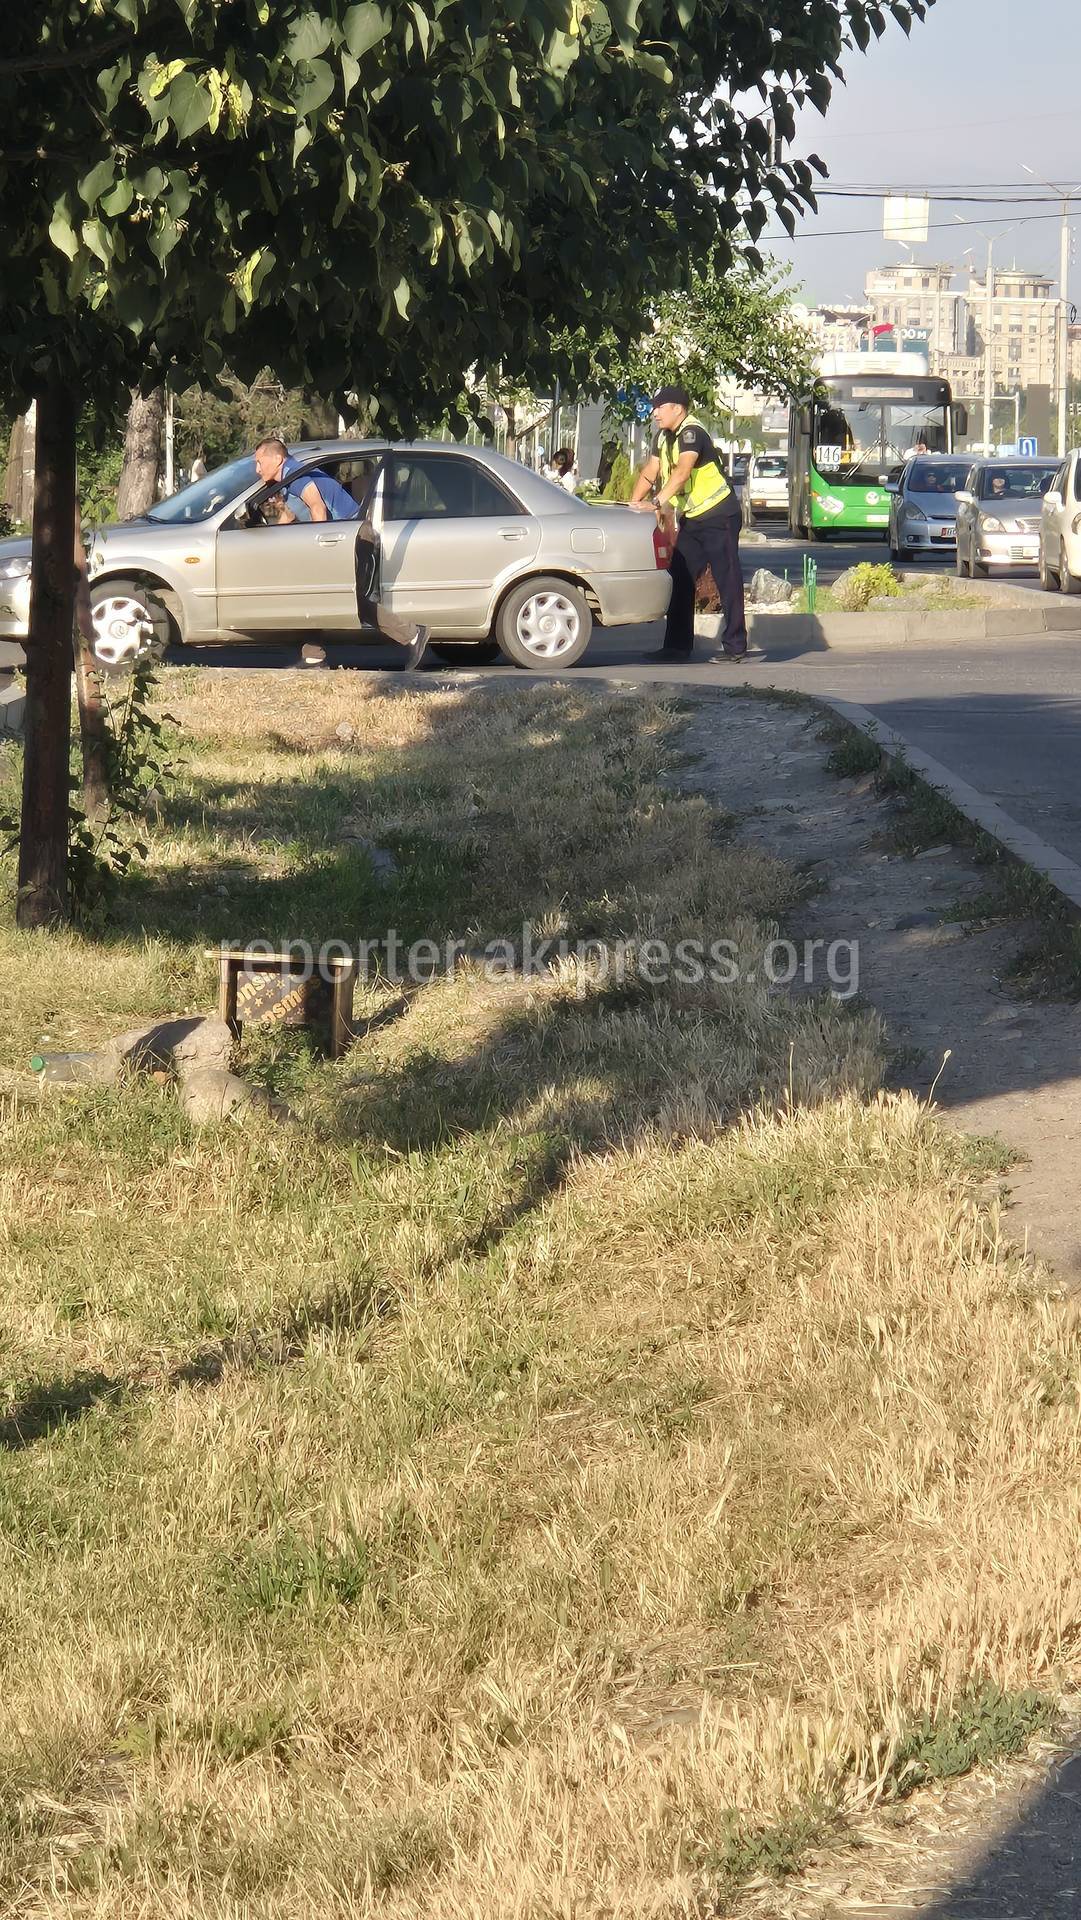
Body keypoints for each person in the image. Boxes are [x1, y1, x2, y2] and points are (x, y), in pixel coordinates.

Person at [629, 385, 757, 664]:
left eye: (660, 407)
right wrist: (632, 504)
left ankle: (736, 646)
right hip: (693, 517)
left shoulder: (692, 432)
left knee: (728, 578)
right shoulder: (663, 438)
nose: (655, 413)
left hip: (719, 514)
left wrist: (656, 503)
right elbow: (651, 471)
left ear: (677, 408)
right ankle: (676, 647)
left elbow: (682, 472)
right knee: (680, 577)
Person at [252, 437, 360, 525]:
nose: (257, 470)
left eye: (260, 463)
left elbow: (318, 508)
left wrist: (316, 545)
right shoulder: (288, 476)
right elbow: (289, 516)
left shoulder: (295, 476)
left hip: (349, 526)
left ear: (278, 459)